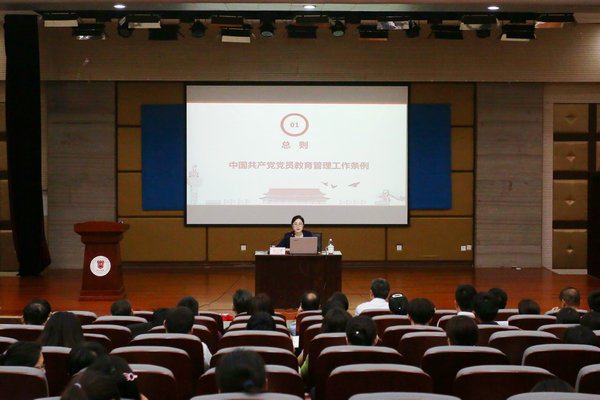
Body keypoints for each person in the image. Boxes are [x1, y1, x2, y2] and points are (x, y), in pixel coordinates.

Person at [163, 306, 212, 371]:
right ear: (191, 330)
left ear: (164, 324)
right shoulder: (202, 348)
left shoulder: (153, 346)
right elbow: (209, 369)